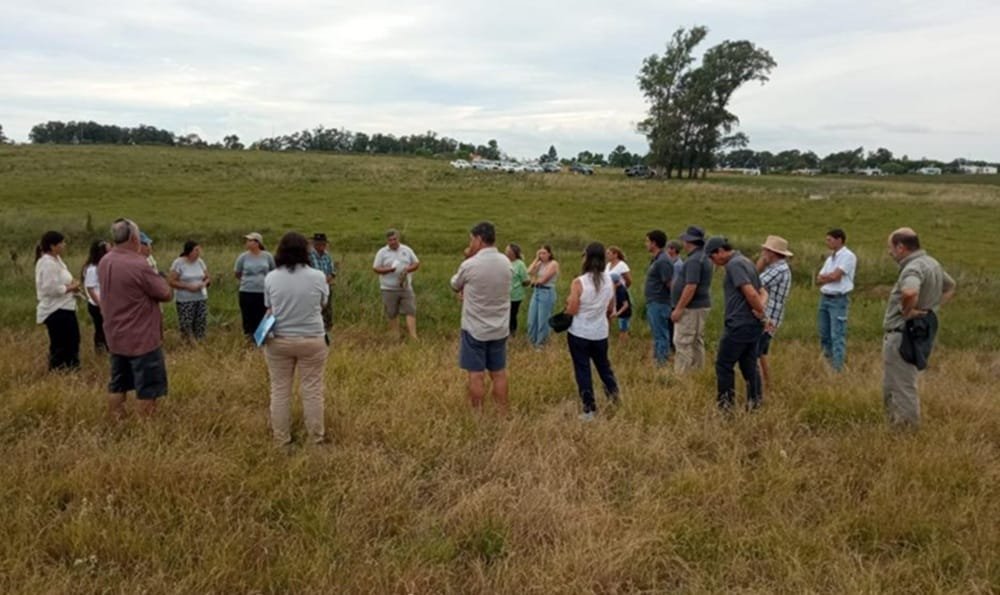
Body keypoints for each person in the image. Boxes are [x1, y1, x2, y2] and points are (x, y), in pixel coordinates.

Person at [99, 218, 173, 419]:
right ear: (133, 238)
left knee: (118, 383)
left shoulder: (105, 261)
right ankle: (146, 429)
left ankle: (116, 420)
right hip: (141, 336)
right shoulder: (139, 264)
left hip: (115, 333)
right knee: (148, 387)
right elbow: (165, 293)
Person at [882, 228, 956, 428]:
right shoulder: (932, 263)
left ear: (901, 247)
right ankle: (895, 426)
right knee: (895, 383)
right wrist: (931, 308)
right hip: (918, 331)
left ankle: (906, 431)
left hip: (902, 333)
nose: (889, 253)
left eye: (891, 248)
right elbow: (950, 286)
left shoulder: (912, 268)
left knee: (902, 385)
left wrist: (908, 311)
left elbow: (909, 291)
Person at [264, 232, 330, 445]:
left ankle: (281, 439)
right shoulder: (318, 276)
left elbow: (269, 307)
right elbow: (323, 304)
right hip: (312, 338)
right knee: (312, 390)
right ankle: (315, 439)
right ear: (305, 250)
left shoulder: (271, 277)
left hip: (279, 339)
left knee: (280, 390)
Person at [450, 222, 512, 413]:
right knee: (499, 373)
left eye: (471, 239)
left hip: (475, 328)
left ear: (478, 239)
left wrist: (468, 257)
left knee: (476, 375)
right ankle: (502, 413)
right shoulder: (506, 262)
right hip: (500, 327)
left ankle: (478, 415)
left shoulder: (470, 264)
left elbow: (455, 283)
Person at [706, 236, 768, 411]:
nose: (713, 261)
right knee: (749, 364)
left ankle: (726, 408)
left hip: (739, 324)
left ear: (720, 251)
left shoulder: (734, 265)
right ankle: (755, 403)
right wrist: (761, 313)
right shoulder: (746, 261)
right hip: (752, 324)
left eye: (712, 257)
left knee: (724, 365)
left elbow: (751, 293)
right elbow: (762, 291)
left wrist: (761, 311)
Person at [566, 242, 619, 421]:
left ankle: (589, 409)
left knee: (583, 370)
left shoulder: (579, 282)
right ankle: (614, 397)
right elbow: (610, 307)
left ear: (586, 258)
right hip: (600, 332)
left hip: (580, 332)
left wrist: (567, 306)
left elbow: (573, 309)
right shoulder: (609, 280)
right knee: (604, 367)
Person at [35, 230, 81, 371]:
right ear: (52, 246)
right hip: (56, 309)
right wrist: (70, 288)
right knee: (61, 343)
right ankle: (59, 370)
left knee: (73, 340)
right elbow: (49, 288)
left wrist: (73, 285)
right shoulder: (47, 263)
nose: (64, 245)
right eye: (61, 243)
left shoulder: (58, 261)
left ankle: (72, 369)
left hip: (66, 306)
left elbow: (62, 279)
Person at [670, 226, 713, 372]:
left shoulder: (694, 260)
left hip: (691, 308)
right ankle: (697, 371)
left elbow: (691, 286)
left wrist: (679, 308)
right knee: (695, 341)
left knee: (683, 341)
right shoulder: (702, 257)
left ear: (689, 241)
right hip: (699, 305)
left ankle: (682, 374)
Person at [755, 235, 793, 396]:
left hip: (767, 317)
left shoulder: (778, 270)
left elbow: (754, 283)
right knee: (761, 352)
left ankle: (758, 387)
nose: (763, 252)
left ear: (772, 252)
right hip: (772, 316)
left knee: (754, 352)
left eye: (765, 250)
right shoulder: (779, 268)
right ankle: (766, 384)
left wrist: (760, 264)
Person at [816, 228, 857, 371]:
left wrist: (827, 277)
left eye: (830, 239)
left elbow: (836, 276)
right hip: (825, 297)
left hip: (838, 299)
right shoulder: (830, 258)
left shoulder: (848, 256)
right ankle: (827, 364)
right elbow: (819, 278)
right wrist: (828, 277)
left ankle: (837, 368)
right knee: (824, 333)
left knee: (837, 334)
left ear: (839, 240)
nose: (827, 242)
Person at [372, 229, 420, 339]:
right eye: (390, 240)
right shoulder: (382, 252)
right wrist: (388, 270)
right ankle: (395, 336)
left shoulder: (407, 250)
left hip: (405, 287)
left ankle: (413, 337)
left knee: (410, 310)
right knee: (392, 312)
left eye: (394, 239)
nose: (393, 242)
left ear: (398, 239)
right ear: (387, 241)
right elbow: (375, 268)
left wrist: (408, 269)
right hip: (388, 288)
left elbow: (416, 263)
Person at [234, 232, 276, 339]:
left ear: (257, 243)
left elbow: (273, 270)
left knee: (263, 316)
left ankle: (261, 338)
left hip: (263, 292)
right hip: (247, 291)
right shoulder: (243, 257)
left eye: (250, 240)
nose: (247, 243)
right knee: (248, 316)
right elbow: (237, 273)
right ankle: (249, 338)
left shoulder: (267, 256)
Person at [169, 240, 211, 341]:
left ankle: (200, 342)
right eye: (196, 250)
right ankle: (187, 345)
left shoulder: (200, 262)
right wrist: (188, 286)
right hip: (185, 299)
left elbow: (208, 277)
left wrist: (204, 284)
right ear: (189, 251)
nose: (198, 252)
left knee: (201, 321)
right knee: (187, 323)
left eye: (199, 250)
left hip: (200, 297)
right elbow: (171, 281)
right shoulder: (179, 263)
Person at [644, 230, 673, 367]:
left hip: (660, 302)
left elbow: (669, 283)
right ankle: (658, 360)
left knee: (661, 333)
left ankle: (662, 363)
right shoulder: (657, 259)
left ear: (654, 243)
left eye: (647, 241)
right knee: (657, 333)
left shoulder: (663, 261)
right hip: (653, 301)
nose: (646, 244)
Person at [526, 244, 560, 348]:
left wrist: (533, 282)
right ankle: (531, 341)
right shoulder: (540, 263)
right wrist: (536, 259)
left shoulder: (553, 263)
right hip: (537, 291)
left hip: (546, 292)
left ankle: (541, 344)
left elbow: (544, 280)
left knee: (543, 319)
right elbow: (529, 272)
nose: (542, 255)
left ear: (549, 254)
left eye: (544, 253)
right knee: (532, 318)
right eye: (540, 253)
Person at [81, 239, 109, 353]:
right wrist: (100, 305)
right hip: (97, 304)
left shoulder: (102, 266)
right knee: (101, 329)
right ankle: (100, 350)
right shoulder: (93, 269)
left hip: (103, 302)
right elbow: (90, 288)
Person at [309, 233, 337, 331]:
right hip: (313, 287)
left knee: (327, 308)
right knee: (314, 308)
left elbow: (332, 271)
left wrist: (328, 278)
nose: (322, 246)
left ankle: (328, 328)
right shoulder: (309, 256)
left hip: (326, 285)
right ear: (314, 244)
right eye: (319, 243)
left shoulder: (327, 255)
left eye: (324, 244)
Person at [506, 243, 530, 336]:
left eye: (508, 251)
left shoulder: (520, 264)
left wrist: (518, 284)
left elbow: (526, 280)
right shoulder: (505, 262)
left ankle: (512, 333)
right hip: (504, 294)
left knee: (512, 314)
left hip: (515, 295)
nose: (506, 252)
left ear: (513, 252)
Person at [611, 272, 631, 340]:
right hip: (621, 313)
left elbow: (626, 305)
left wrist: (617, 313)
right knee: (622, 329)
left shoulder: (621, 291)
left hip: (625, 314)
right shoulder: (616, 289)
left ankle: (623, 344)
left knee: (623, 330)